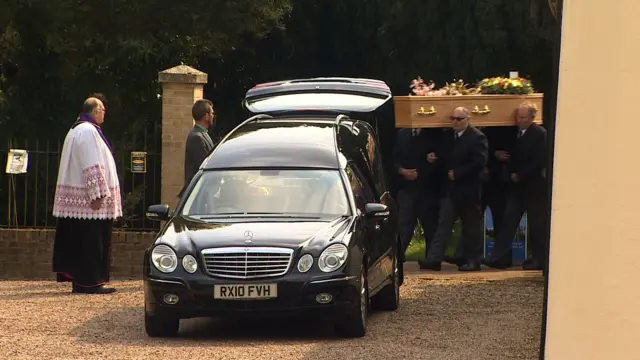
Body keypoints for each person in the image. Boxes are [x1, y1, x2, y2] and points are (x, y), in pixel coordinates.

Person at [51, 97, 122, 294]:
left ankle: (83, 282)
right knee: (92, 242)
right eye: (102, 110)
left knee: (83, 242)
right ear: (95, 111)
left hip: (81, 203)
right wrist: (97, 194)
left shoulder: (76, 129)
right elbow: (92, 164)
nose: (104, 113)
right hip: (89, 203)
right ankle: (92, 282)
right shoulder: (88, 131)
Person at [420, 107, 488, 271]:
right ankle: (434, 259)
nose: (455, 122)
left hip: (468, 190)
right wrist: (433, 157)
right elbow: (444, 156)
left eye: (459, 119)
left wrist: (458, 173)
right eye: (453, 118)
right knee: (443, 224)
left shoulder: (477, 137)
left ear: (467, 119)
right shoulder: (448, 136)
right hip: (451, 189)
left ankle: (474, 260)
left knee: (471, 227)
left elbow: (479, 162)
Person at [484, 102, 548, 270]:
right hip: (516, 188)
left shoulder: (540, 134)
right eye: (518, 117)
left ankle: (539, 259)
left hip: (534, 187)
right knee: (508, 222)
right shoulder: (516, 133)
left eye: (523, 117)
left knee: (536, 225)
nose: (519, 120)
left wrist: (521, 174)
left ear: (532, 118)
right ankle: (498, 257)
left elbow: (539, 160)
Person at [444, 125, 515, 266]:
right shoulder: (473, 132)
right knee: (471, 221)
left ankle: (500, 258)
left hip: (497, 180)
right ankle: (464, 254)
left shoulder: (500, 128)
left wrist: (497, 154)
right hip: (477, 182)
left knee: (499, 220)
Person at [391, 127, 441, 262]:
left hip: (427, 188)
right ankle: (397, 258)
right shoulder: (402, 133)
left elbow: (439, 160)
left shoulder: (433, 133)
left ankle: (431, 260)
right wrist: (401, 171)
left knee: (430, 225)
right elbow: (393, 157)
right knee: (404, 225)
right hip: (406, 188)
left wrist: (421, 172)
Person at [179, 99, 216, 198]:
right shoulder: (197, 137)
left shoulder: (202, 134)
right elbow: (204, 166)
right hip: (199, 194)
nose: (213, 116)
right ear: (206, 116)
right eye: (212, 113)